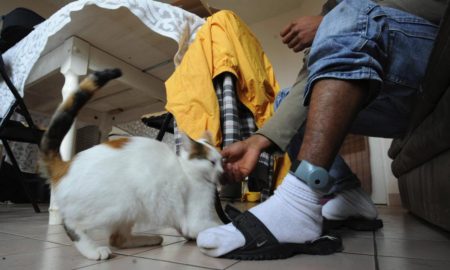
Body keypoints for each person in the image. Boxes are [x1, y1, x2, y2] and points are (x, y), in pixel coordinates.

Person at [196, 0, 448, 259]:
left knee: (351, 16)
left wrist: (337, 20)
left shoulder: (348, 11)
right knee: (288, 97)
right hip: (399, 94)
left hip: (435, 54)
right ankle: (349, 195)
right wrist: (258, 140)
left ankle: (299, 202)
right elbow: (310, 79)